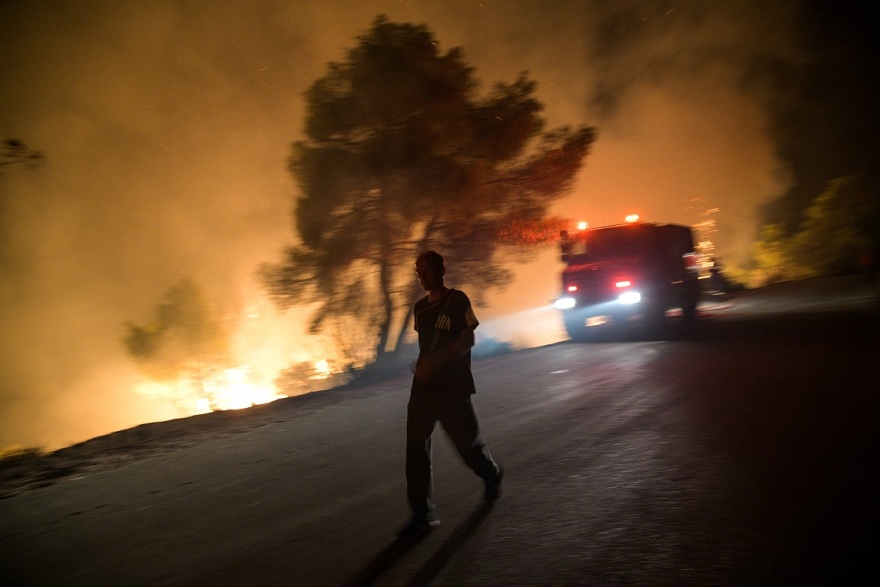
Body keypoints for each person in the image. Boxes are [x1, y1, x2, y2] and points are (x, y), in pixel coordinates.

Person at [397, 250, 503, 541]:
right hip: (423, 389)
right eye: (419, 273)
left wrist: (436, 362)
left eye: (428, 271)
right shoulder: (420, 308)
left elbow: (467, 339)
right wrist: (422, 366)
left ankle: (492, 474)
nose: (423, 278)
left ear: (442, 269)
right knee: (416, 448)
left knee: (468, 446)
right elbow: (426, 345)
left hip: (452, 388)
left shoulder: (458, 300)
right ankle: (422, 515)